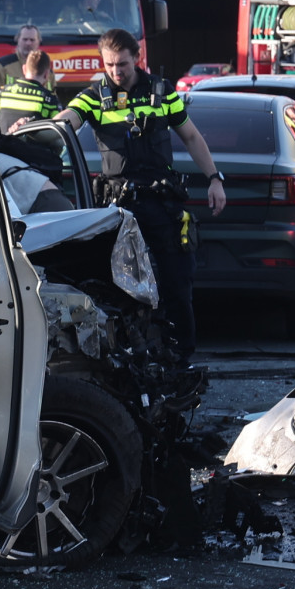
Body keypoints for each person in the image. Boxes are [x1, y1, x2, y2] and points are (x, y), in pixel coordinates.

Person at [56, 28, 225, 360]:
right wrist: (37, 129)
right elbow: (67, 122)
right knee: (116, 288)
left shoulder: (161, 93)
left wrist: (214, 178)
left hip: (161, 206)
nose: (116, 71)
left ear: (137, 58)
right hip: (118, 210)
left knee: (177, 283)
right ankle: (126, 358)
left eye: (122, 64)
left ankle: (181, 358)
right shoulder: (94, 96)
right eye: (109, 65)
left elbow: (191, 137)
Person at [0, 49, 61, 133]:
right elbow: (58, 130)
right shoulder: (50, 100)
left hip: (3, 141)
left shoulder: (2, 92)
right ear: (47, 74)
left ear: (24, 69)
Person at [0, 24, 49, 113]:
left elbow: (50, 95)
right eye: (25, 39)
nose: (28, 43)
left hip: (37, 119)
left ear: (39, 41)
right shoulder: (0, 65)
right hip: (8, 118)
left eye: (32, 40)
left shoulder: (45, 67)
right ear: (17, 40)